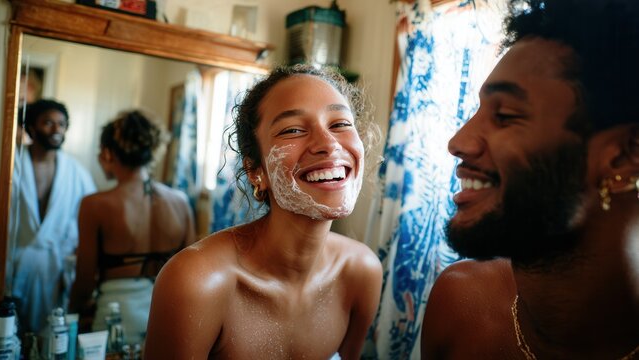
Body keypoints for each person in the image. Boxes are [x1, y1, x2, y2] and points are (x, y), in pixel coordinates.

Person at [421, 0, 639, 358]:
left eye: (505, 115)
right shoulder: (459, 302)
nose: (458, 143)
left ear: (624, 156)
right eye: (477, 112)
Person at [143, 64, 383, 359]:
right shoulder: (195, 281)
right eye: (293, 130)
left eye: (340, 124)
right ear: (256, 171)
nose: (329, 144)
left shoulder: (362, 272)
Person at [69, 110, 196, 345]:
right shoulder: (180, 201)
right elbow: (191, 273)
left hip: (117, 317)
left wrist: (71, 318)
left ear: (107, 153)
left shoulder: (94, 205)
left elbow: (84, 281)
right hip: (167, 313)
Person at [9, 99, 96, 333]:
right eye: (48, 122)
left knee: (49, 335)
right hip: (13, 263)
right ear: (32, 127)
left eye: (62, 124)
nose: (57, 129)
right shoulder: (10, 163)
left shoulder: (76, 173)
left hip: (55, 269)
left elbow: (89, 220)